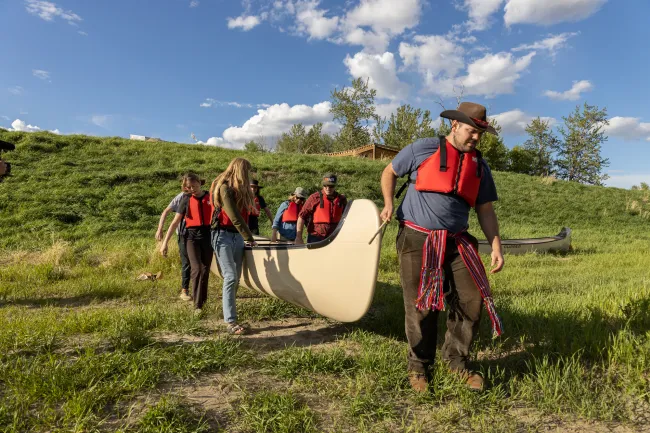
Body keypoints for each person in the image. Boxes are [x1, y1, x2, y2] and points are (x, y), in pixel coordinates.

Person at [379, 102, 505, 393]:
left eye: (480, 134)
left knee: (471, 300)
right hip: (417, 237)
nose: (476, 138)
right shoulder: (423, 148)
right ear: (455, 126)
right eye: (472, 132)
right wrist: (387, 203)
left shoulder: (479, 166)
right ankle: (419, 368)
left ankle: (456, 362)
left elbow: (485, 210)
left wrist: (496, 245)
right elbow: (389, 172)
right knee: (421, 306)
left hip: (457, 241)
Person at [210, 158, 257, 335]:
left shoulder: (240, 190)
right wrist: (249, 237)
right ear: (240, 170)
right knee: (230, 277)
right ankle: (230, 321)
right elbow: (234, 216)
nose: (248, 175)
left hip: (236, 236)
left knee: (236, 278)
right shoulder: (225, 188)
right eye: (247, 171)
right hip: (222, 235)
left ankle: (230, 313)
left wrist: (245, 236)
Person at [160, 173, 213, 314]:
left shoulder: (211, 198)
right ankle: (197, 306)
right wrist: (164, 242)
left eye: (194, 186)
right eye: (189, 187)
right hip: (191, 237)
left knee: (205, 269)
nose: (192, 189)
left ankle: (202, 301)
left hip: (208, 235)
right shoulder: (186, 200)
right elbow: (175, 222)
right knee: (196, 268)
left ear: (200, 184)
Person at [156, 177, 192, 301]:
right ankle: (184, 290)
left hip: (199, 233)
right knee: (186, 261)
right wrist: (160, 229)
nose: (193, 188)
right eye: (189, 186)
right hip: (184, 233)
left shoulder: (201, 195)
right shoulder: (181, 197)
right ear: (185, 187)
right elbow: (166, 212)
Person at [295, 173, 347, 244]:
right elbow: (302, 217)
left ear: (335, 186)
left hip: (334, 237)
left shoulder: (341, 199)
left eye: (331, 186)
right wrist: (298, 237)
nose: (328, 188)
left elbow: (348, 218)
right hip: (316, 237)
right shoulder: (314, 198)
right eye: (325, 185)